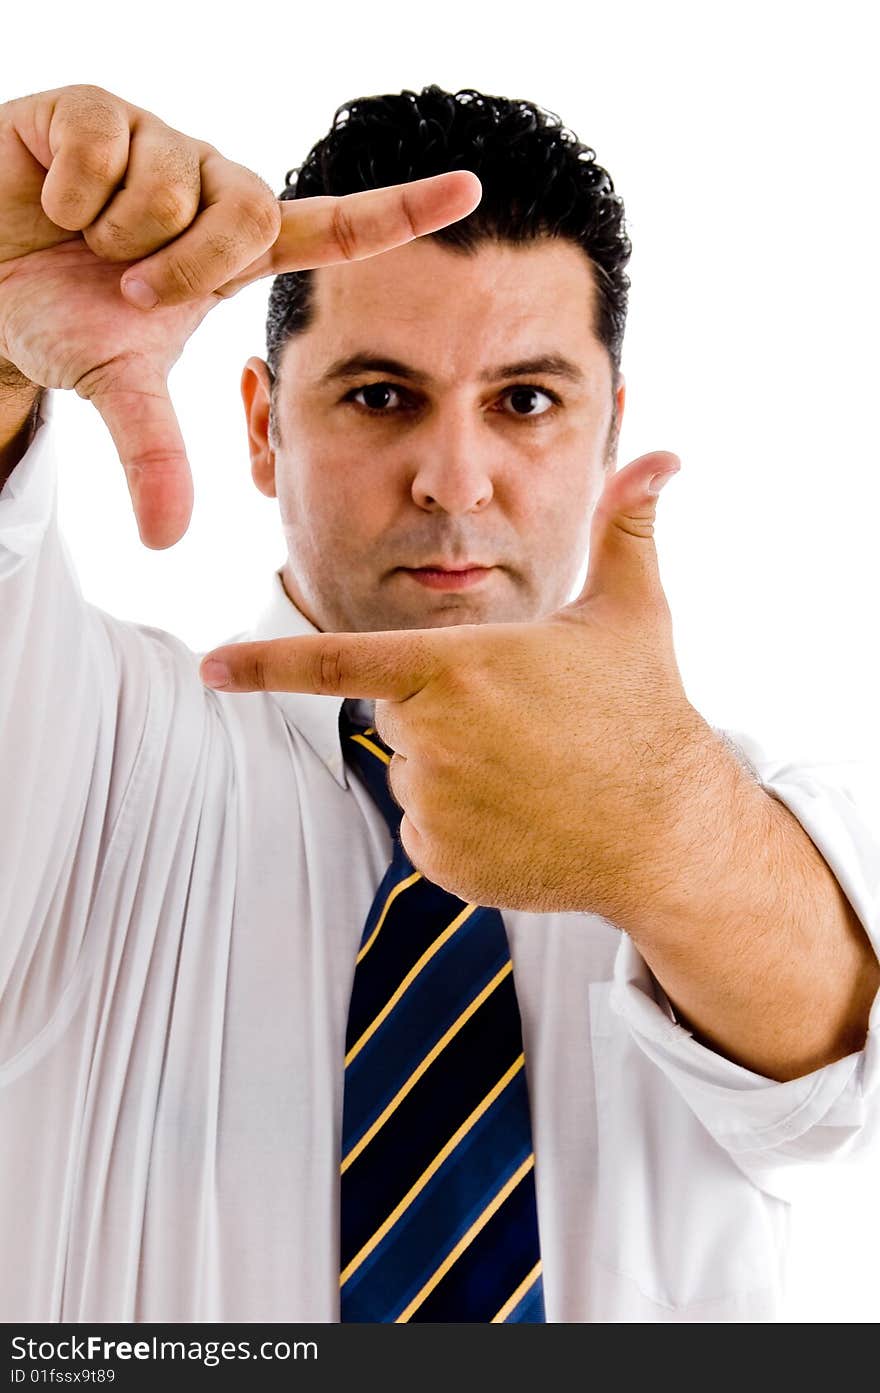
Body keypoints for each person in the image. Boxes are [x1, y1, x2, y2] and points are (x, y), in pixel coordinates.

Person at [0, 82, 877, 1325]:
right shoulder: (92, 749)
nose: (453, 479)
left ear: (605, 428)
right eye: (379, 396)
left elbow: (841, 1071)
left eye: (525, 401)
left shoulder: (732, 812)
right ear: (263, 429)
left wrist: (666, 828)